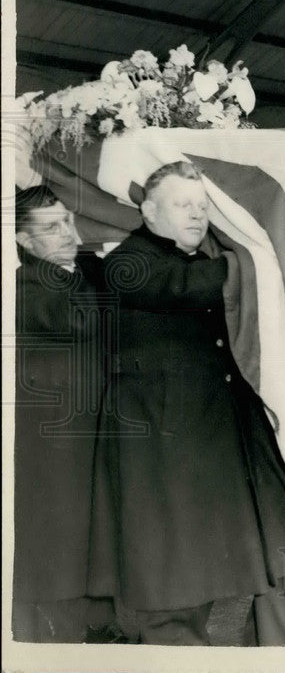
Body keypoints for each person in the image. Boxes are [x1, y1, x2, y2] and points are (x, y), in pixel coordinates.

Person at [88, 161, 285, 644]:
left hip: (199, 443)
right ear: (148, 211)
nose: (197, 215)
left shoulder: (187, 258)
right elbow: (183, 288)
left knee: (196, 566)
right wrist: (262, 256)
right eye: (182, 204)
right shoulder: (128, 261)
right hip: (162, 449)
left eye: (202, 205)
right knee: (172, 575)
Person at [12, 186, 119, 643]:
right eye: (51, 228)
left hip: (88, 430)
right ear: (22, 240)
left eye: (70, 222)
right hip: (52, 442)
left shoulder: (77, 270)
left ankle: (94, 628)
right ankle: (56, 641)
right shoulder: (27, 282)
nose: (69, 234)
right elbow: (77, 321)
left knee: (90, 532)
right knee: (61, 538)